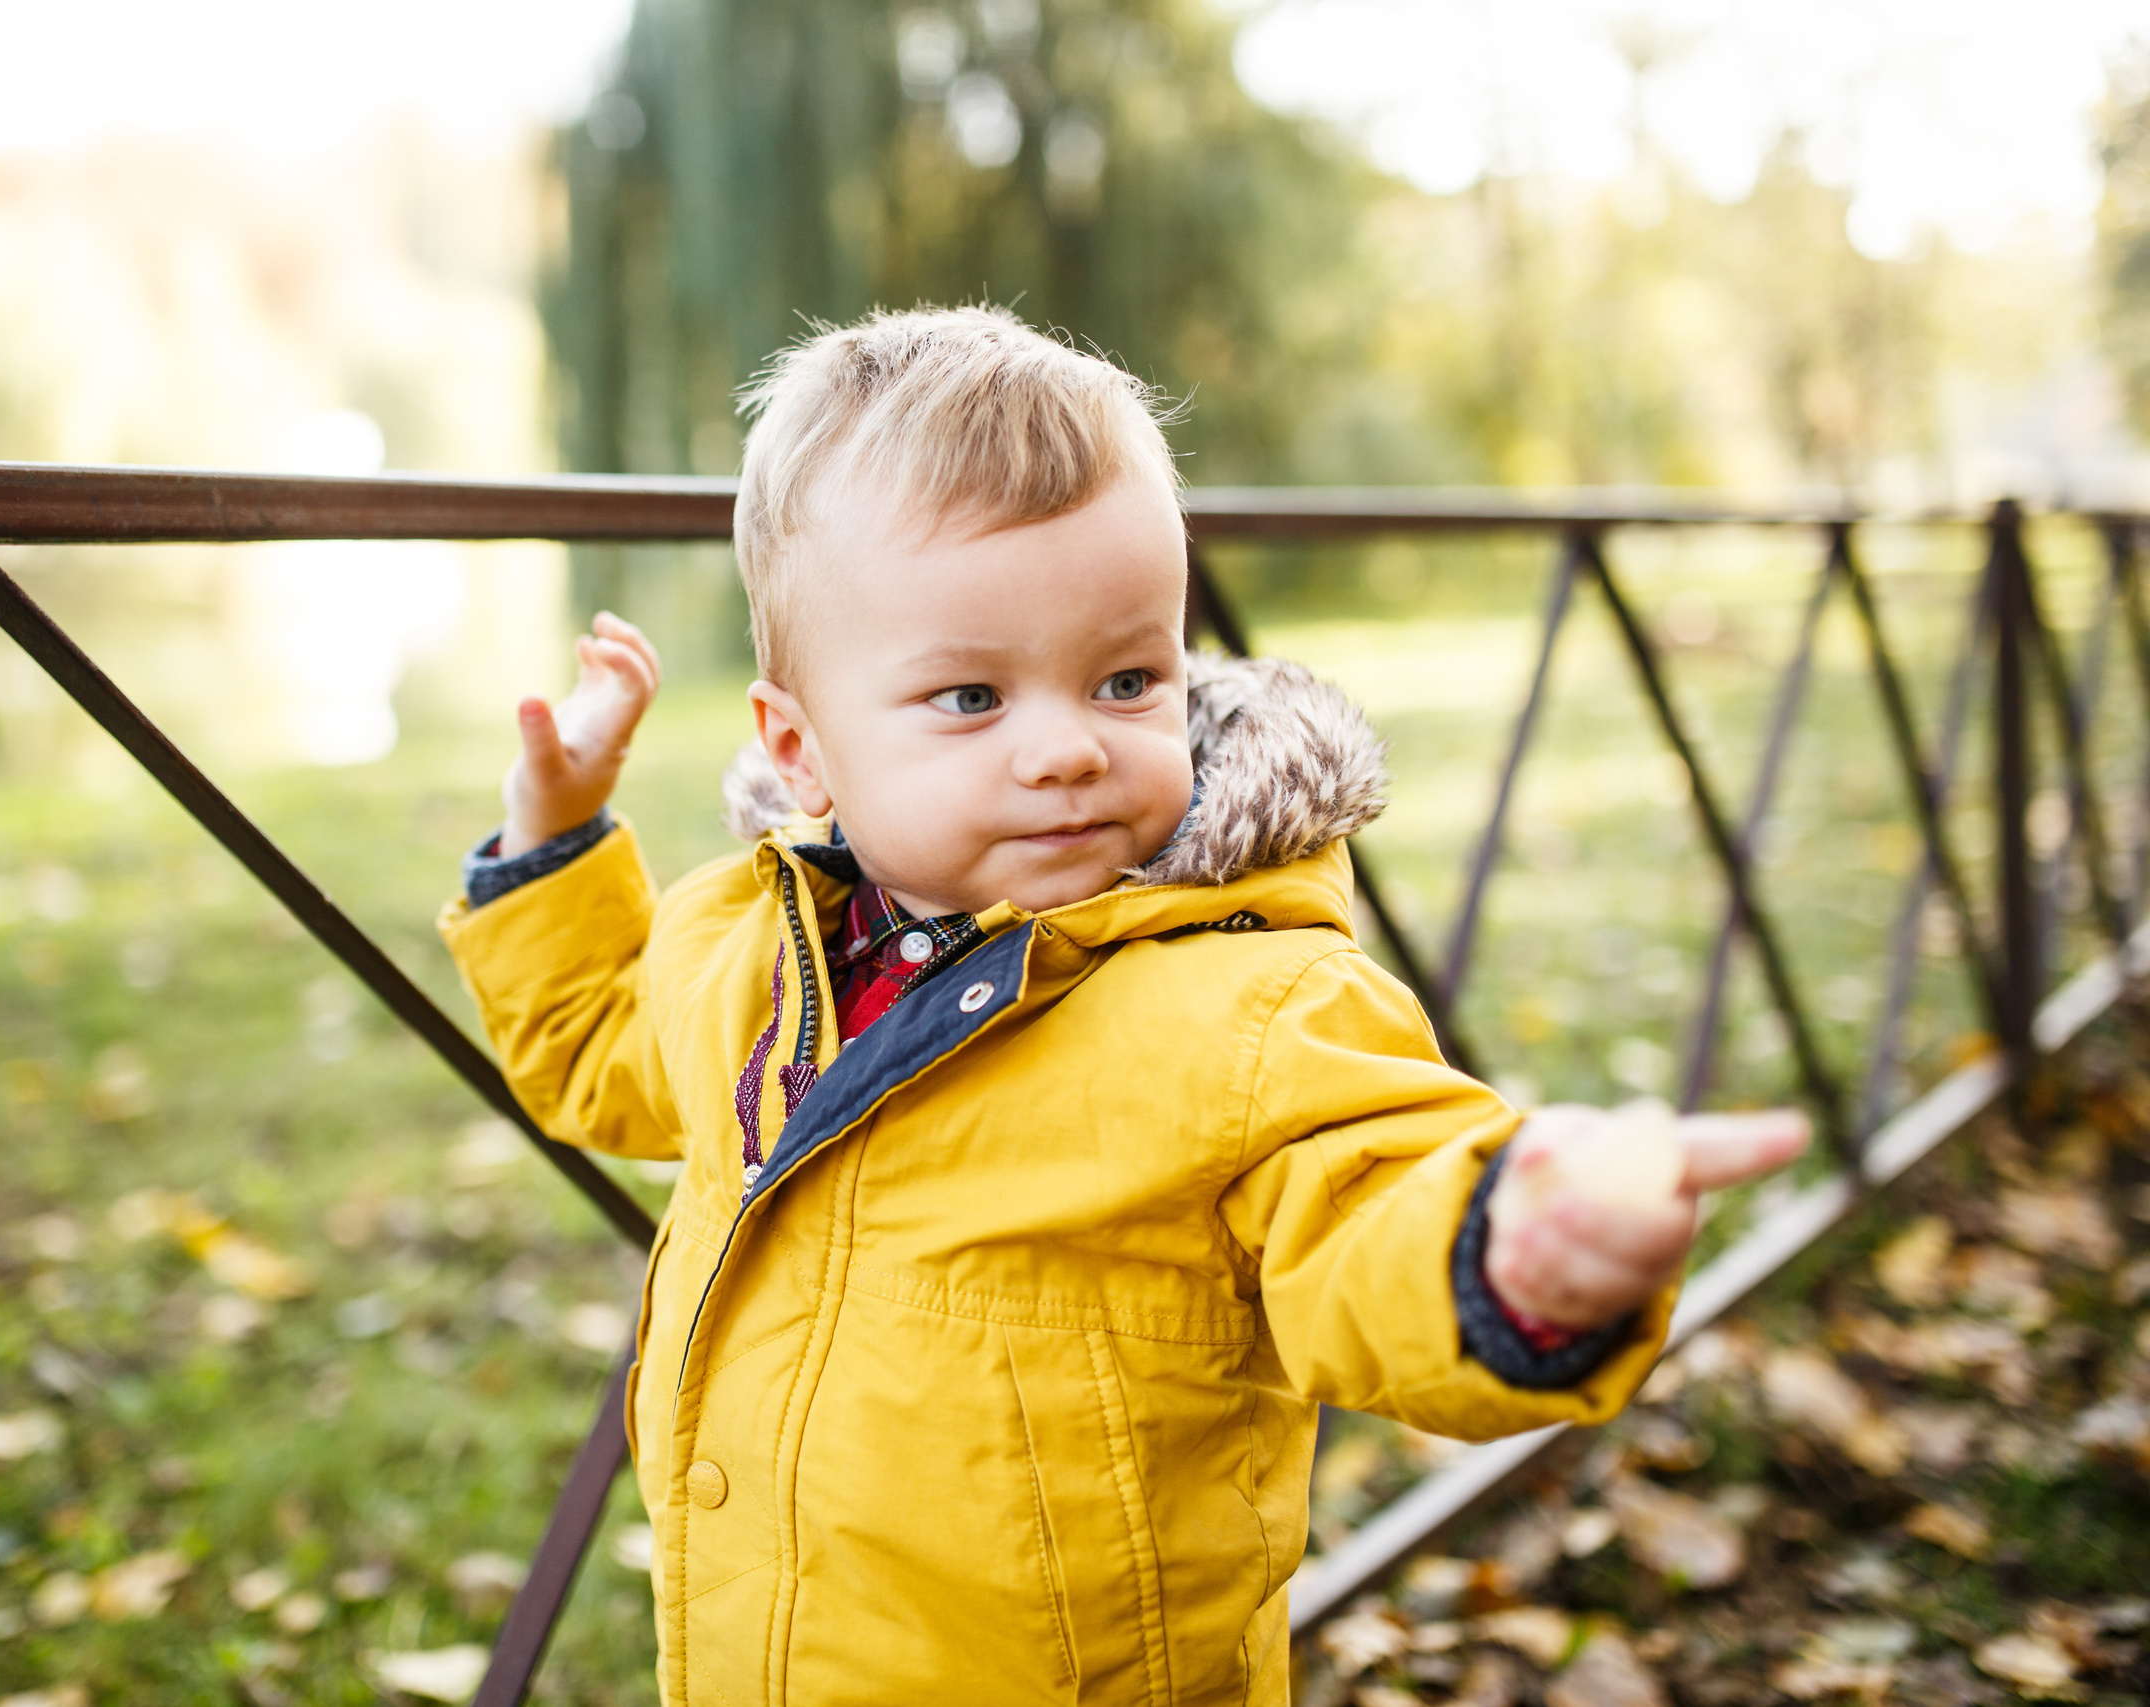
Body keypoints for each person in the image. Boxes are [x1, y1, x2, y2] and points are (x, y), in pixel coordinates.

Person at [439, 306, 1806, 1706]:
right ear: (801, 749)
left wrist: (1512, 1246)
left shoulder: (1250, 1003)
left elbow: (1375, 1201)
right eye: (972, 696)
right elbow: (600, 1052)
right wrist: (551, 843)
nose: (1067, 748)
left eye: (1126, 678)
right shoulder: (749, 953)